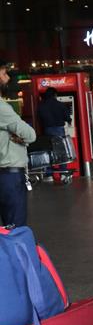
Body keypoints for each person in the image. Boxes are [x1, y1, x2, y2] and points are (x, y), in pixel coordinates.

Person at [0, 60, 36, 226]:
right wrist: (17, 134)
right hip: (8, 175)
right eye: (4, 73)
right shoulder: (2, 108)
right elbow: (30, 135)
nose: (7, 78)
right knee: (15, 227)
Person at [37, 87, 71, 182]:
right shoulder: (60, 105)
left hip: (47, 130)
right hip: (59, 130)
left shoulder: (41, 106)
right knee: (61, 153)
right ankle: (63, 173)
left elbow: (39, 118)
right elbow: (67, 117)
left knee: (48, 153)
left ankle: (49, 175)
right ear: (55, 95)